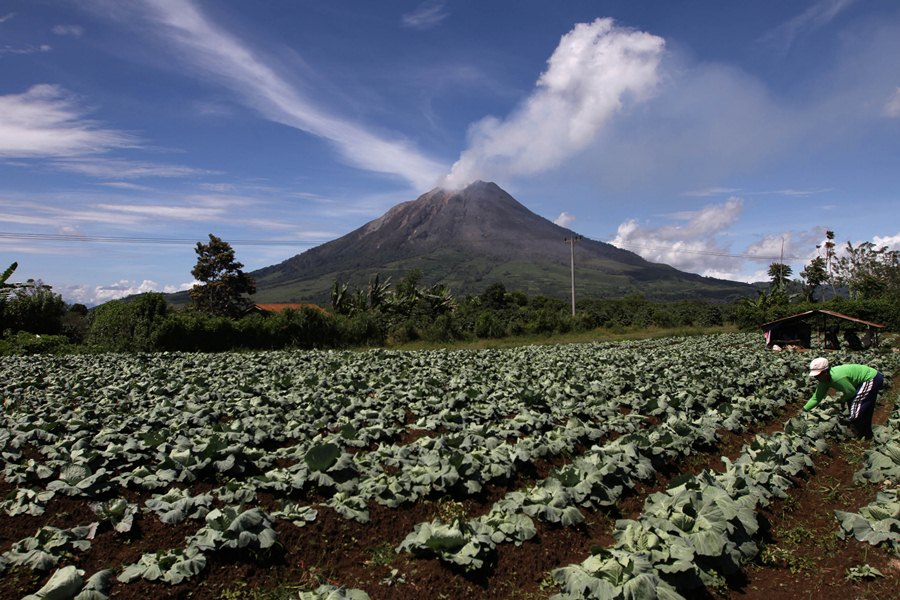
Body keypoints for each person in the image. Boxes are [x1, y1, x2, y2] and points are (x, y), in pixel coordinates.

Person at [805, 357, 884, 439]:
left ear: (825, 372)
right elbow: (816, 398)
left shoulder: (837, 378)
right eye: (815, 376)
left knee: (855, 410)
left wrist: (841, 399)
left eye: (818, 375)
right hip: (863, 381)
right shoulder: (824, 381)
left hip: (871, 378)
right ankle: (867, 434)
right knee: (861, 407)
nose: (816, 378)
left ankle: (854, 431)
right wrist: (804, 410)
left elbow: (851, 392)